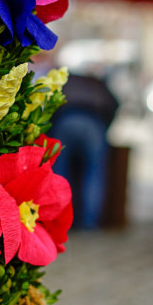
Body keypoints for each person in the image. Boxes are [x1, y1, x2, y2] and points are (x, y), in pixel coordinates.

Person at [49, 67, 120, 230]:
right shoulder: (97, 83)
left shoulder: (65, 81)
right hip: (93, 122)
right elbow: (114, 105)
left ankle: (58, 220)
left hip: (65, 121)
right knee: (94, 174)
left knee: (59, 173)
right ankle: (89, 223)